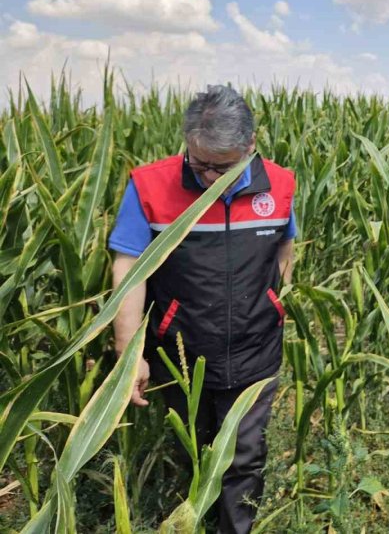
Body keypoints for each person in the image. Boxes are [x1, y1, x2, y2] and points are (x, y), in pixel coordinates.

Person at [109, 85, 296, 534]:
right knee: (194, 445)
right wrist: (128, 352)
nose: (211, 178)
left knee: (245, 453)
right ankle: (197, 516)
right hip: (182, 347)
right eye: (200, 164)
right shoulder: (150, 186)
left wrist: (275, 302)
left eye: (224, 167)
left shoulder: (282, 184)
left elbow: (285, 250)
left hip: (255, 349)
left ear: (250, 146)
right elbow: (128, 269)